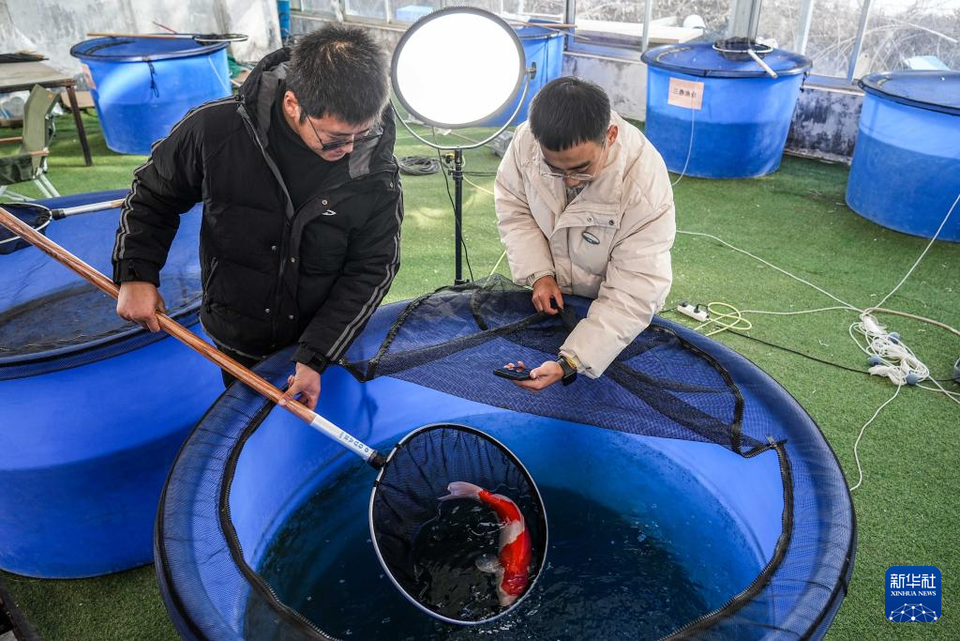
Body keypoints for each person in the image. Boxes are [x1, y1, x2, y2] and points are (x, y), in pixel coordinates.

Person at [113, 25, 403, 410]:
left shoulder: (377, 174)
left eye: (361, 135)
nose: (349, 150)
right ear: (292, 104)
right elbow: (153, 194)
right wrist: (136, 274)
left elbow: (373, 267)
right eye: (335, 139)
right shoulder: (214, 130)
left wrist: (317, 353)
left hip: (327, 341)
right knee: (245, 431)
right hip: (238, 334)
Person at [494, 76, 675, 391]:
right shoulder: (525, 142)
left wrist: (571, 361)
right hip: (554, 295)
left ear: (611, 135)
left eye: (580, 168)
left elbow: (634, 291)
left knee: (608, 394)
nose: (570, 181)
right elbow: (516, 209)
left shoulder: (644, 184)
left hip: (613, 313)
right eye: (555, 169)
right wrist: (540, 274)